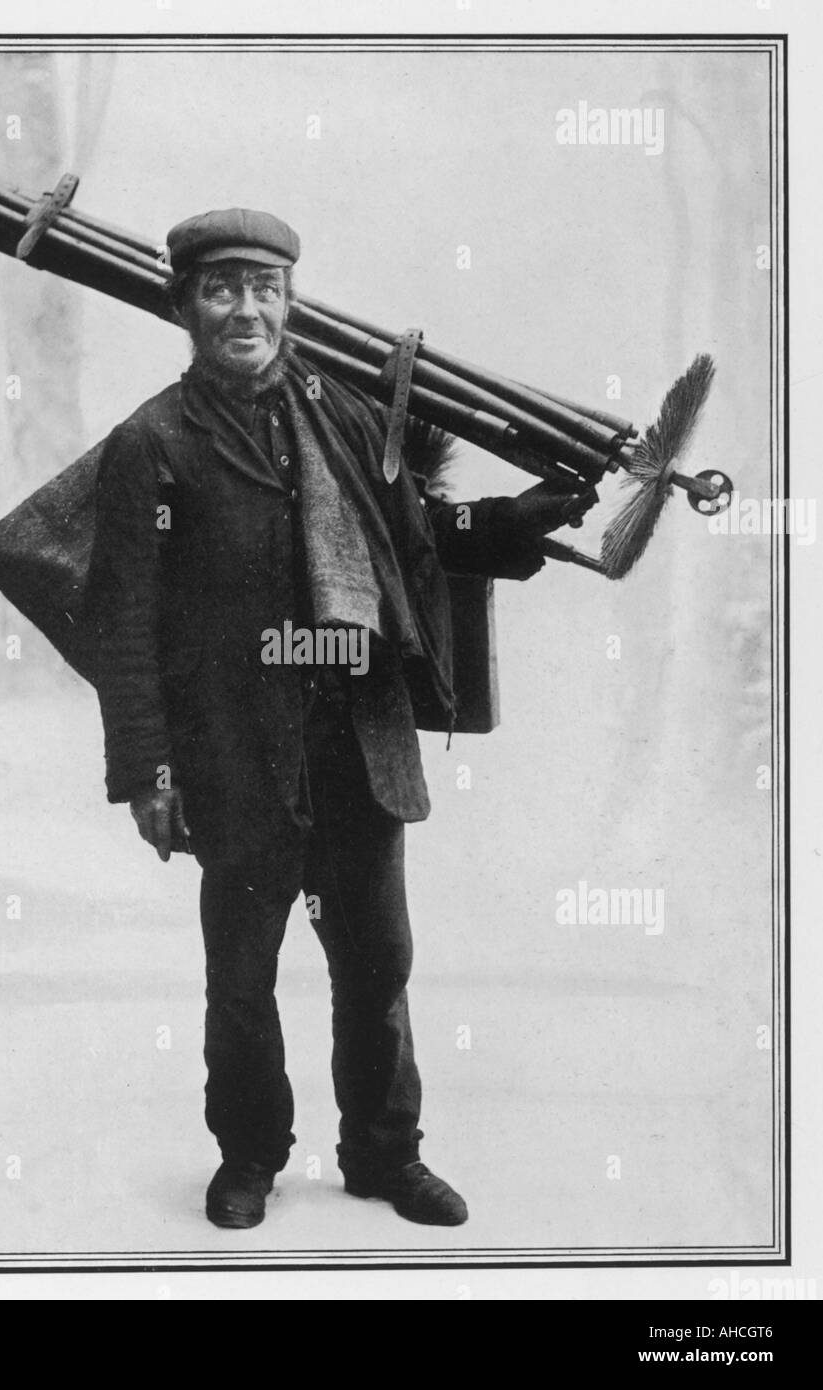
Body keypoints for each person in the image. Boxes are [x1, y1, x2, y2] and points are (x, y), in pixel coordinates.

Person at [86, 207, 593, 1230]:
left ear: (289, 301)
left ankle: (383, 1155)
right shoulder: (152, 443)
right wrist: (148, 771)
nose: (245, 309)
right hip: (233, 753)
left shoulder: (350, 419)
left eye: (264, 288)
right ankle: (247, 1158)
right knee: (240, 977)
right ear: (183, 305)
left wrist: (513, 519)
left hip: (357, 741)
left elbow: (417, 537)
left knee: (378, 967)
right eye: (221, 289)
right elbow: (124, 621)